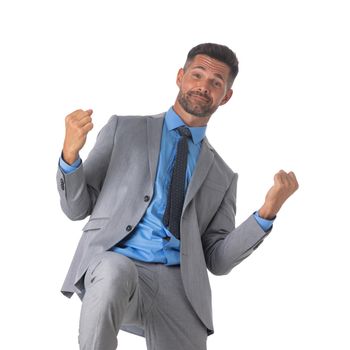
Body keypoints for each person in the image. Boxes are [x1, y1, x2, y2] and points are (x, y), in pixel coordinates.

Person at [56, 43, 298, 350]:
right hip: (118, 263)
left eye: (216, 83)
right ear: (180, 77)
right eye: (197, 75)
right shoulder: (124, 129)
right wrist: (70, 155)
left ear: (226, 96)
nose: (203, 86)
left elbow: (218, 259)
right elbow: (77, 207)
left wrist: (266, 212)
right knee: (114, 270)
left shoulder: (223, 175)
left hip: (181, 287)